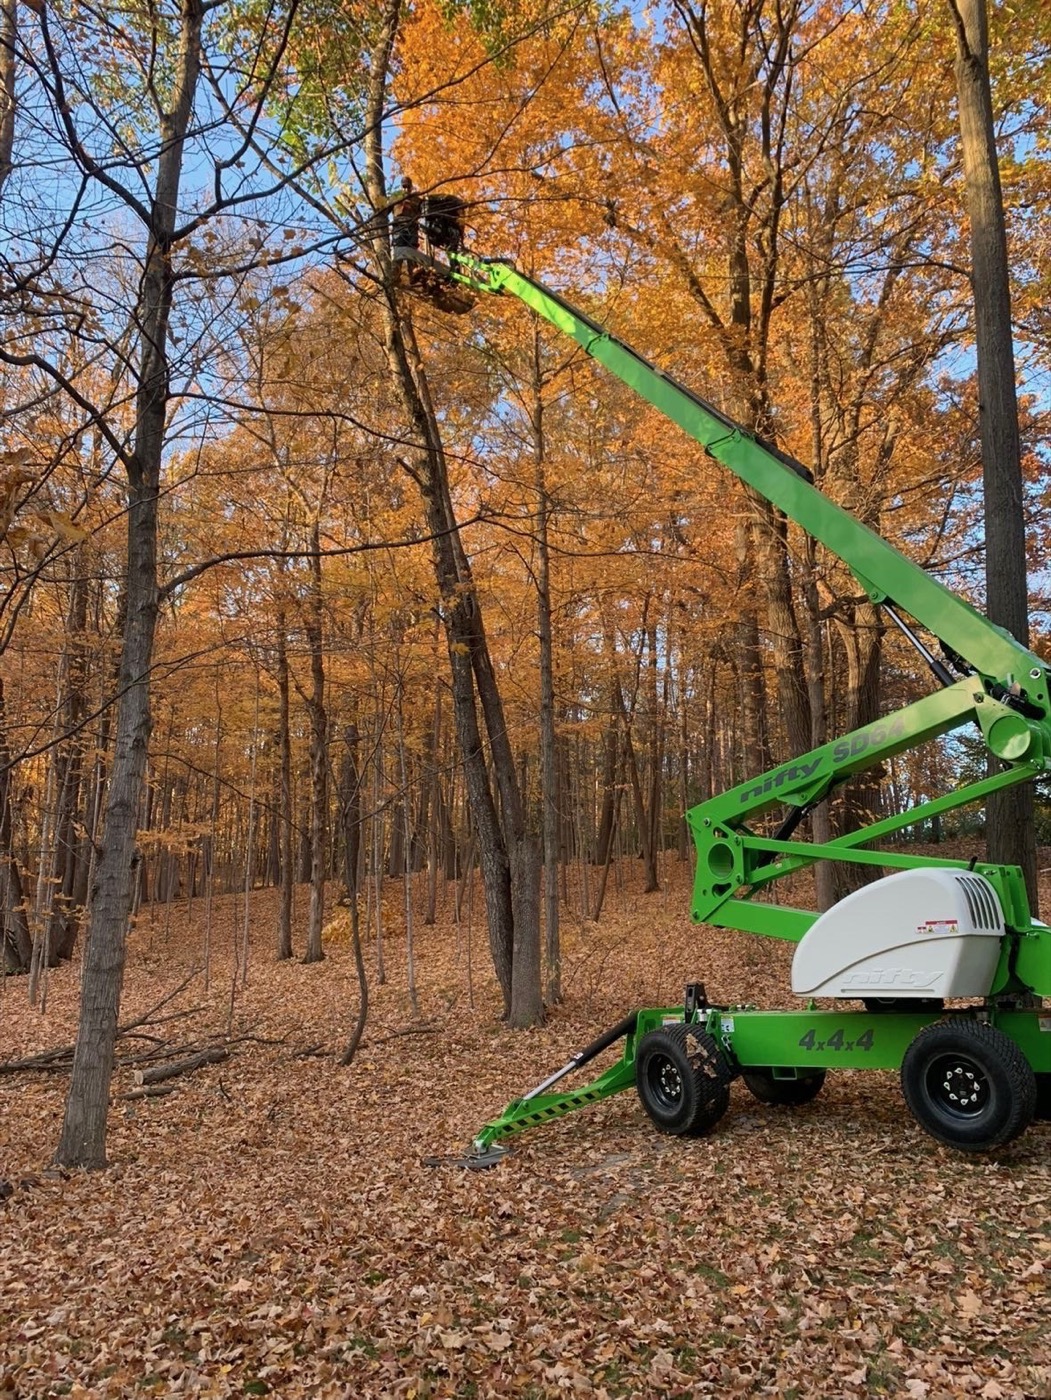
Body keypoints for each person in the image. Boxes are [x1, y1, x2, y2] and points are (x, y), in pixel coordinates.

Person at [390, 179, 421, 250]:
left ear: (411, 187)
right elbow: (385, 211)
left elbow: (423, 212)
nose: (406, 189)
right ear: (401, 187)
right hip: (398, 225)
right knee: (398, 248)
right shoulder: (395, 197)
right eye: (404, 187)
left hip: (412, 226)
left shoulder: (416, 199)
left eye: (408, 187)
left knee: (412, 250)